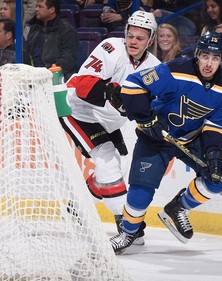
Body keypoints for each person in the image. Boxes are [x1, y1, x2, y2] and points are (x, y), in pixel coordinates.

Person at [109, 31, 222, 254]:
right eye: (205, 56)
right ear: (197, 54)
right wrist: (146, 119)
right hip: (156, 138)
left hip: (191, 138)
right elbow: (132, 86)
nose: (209, 63)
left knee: (219, 177)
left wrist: (214, 152)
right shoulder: (175, 70)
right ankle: (128, 233)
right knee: (140, 193)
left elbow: (217, 125)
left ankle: (178, 208)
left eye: (215, 58)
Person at [59, 10, 161, 245]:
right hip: (78, 109)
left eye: (140, 38)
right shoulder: (110, 48)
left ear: (151, 40)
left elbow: (156, 103)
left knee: (115, 165)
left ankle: (77, 208)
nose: (134, 41)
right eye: (131, 35)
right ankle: (127, 224)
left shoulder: (154, 67)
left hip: (108, 120)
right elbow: (82, 84)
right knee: (107, 160)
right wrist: (108, 90)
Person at [25, 0, 79, 81]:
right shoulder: (34, 29)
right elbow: (27, 53)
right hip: (33, 77)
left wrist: (47, 74)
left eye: (40, 7)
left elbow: (67, 60)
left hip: (56, 78)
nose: (36, 9)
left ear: (52, 10)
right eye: (36, 6)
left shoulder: (67, 31)